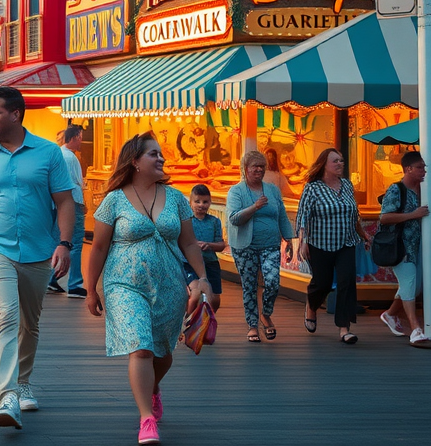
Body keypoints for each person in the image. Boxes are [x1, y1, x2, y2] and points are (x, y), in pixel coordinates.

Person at [0, 86, 77, 430]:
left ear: (15, 114)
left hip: (40, 250)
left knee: (30, 321)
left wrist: (65, 243)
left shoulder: (49, 153)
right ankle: (8, 395)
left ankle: (23, 381)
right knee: (6, 314)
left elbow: (65, 201)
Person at [83, 133, 214, 446]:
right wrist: (91, 289)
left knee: (163, 352)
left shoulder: (177, 198)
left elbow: (188, 243)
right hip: (123, 284)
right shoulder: (113, 199)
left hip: (169, 285)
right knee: (141, 347)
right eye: (154, 154)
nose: (161, 159)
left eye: (161, 154)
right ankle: (146, 420)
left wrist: (203, 277)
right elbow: (99, 247)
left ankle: (152, 388)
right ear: (135, 161)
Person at [296, 148, 369, 344]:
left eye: (342, 160)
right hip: (321, 243)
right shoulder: (313, 188)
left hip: (346, 241)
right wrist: (303, 241)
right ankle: (311, 306)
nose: (340, 164)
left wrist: (363, 234)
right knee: (323, 283)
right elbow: (303, 216)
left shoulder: (346, 185)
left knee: (346, 282)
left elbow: (354, 213)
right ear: (324, 165)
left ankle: (344, 328)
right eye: (335, 161)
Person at [227, 151, 296, 342]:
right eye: (254, 166)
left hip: (271, 244)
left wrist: (288, 238)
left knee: (273, 281)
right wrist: (254, 207)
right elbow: (234, 218)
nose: (258, 169)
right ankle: (252, 325)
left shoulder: (273, 190)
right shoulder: (236, 191)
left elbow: (281, 214)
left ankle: (266, 313)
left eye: (262, 166)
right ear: (245, 169)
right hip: (245, 246)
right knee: (249, 285)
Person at [378, 151, 431, 344]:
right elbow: (384, 217)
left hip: (418, 246)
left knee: (414, 286)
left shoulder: (423, 189)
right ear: (408, 169)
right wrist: (413, 215)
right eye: (419, 167)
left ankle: (390, 314)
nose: (423, 171)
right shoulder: (396, 190)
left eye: (424, 167)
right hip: (401, 246)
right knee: (409, 283)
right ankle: (416, 328)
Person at [49, 125, 88, 298]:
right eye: (80, 137)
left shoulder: (57, 155)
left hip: (57, 204)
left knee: (58, 241)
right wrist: (82, 203)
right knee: (76, 242)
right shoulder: (70, 158)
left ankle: (52, 278)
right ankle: (74, 283)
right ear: (75, 137)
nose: (81, 141)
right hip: (72, 203)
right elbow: (76, 185)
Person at [186, 185, 226, 314]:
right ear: (190, 202)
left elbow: (221, 245)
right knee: (195, 294)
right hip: (190, 263)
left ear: (210, 202)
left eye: (205, 202)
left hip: (210, 262)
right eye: (197, 201)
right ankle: (187, 321)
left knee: (215, 299)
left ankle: (207, 321)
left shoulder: (214, 221)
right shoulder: (187, 221)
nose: (201, 205)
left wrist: (209, 245)